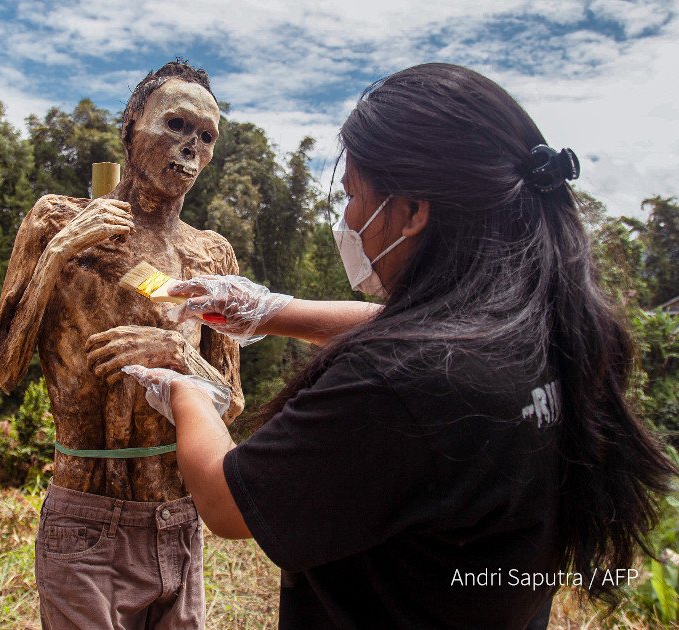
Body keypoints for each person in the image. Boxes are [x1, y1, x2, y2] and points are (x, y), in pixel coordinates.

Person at [122, 63, 679, 628]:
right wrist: (275, 310)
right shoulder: (549, 327)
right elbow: (427, 331)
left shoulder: (395, 385)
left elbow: (226, 501)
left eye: (354, 197)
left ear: (412, 211)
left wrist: (187, 392)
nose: (348, 219)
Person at [0, 61, 243, 629]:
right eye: (176, 125)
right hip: (84, 516)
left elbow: (232, 401)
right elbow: (2, 370)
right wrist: (57, 255)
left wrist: (179, 355)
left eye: (205, 138)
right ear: (131, 125)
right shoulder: (57, 219)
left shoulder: (210, 255)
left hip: (176, 519)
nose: (190, 150)